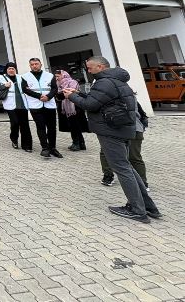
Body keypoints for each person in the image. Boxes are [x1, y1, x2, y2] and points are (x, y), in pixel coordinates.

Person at [63, 57, 160, 223]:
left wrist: (72, 97)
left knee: (122, 168)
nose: (88, 71)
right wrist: (79, 94)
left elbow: (91, 105)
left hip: (111, 130)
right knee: (127, 167)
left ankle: (137, 210)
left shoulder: (103, 82)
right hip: (122, 129)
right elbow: (100, 100)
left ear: (100, 66)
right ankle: (148, 206)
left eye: (90, 68)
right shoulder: (116, 80)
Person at [101, 101, 149, 188]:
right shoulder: (106, 97)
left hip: (131, 129)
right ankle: (108, 175)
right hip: (114, 129)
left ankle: (143, 183)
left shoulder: (129, 98)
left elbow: (142, 114)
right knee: (105, 152)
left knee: (133, 156)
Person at [21, 58, 62, 158]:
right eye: (32, 64)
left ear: (41, 64)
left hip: (49, 104)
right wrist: (39, 96)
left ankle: (52, 148)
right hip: (35, 106)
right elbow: (25, 90)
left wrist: (48, 97)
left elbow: (54, 88)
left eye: (36, 64)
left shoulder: (49, 75)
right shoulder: (25, 76)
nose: (34, 66)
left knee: (52, 128)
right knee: (41, 127)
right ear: (30, 66)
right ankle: (45, 148)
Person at [0, 62, 32, 152]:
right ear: (6, 70)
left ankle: (27, 145)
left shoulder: (20, 77)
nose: (11, 70)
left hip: (22, 104)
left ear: (15, 70)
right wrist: (4, 85)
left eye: (13, 69)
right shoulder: (1, 78)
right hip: (10, 104)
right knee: (15, 123)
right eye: (9, 69)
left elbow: (26, 87)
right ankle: (14, 139)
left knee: (25, 125)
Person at [54, 70, 89, 152]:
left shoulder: (72, 82)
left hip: (75, 107)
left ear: (63, 75)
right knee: (73, 125)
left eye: (58, 76)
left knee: (75, 125)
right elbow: (59, 95)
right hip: (66, 107)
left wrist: (61, 94)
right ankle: (80, 143)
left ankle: (77, 143)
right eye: (55, 76)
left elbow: (70, 93)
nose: (56, 78)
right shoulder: (59, 84)